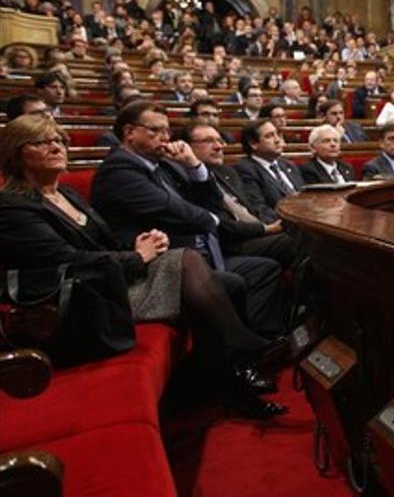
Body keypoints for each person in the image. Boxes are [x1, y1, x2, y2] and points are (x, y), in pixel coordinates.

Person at [0, 114, 286, 417]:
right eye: (42, 142)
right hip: (77, 299)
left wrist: (141, 244)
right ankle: (242, 355)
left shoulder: (67, 194)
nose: (56, 147)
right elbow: (66, 260)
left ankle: (227, 378)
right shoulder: (12, 206)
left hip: (107, 280)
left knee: (223, 281)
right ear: (16, 153)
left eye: (59, 140)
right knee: (196, 267)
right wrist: (137, 257)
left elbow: (105, 243)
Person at [89, 102, 287, 339]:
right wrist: (214, 221)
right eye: (155, 130)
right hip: (159, 264)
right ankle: (243, 349)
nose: (164, 137)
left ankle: (262, 336)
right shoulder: (118, 169)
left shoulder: (164, 164)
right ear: (130, 132)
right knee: (232, 281)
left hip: (199, 250)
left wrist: (194, 165)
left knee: (264, 270)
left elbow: (210, 202)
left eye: (167, 131)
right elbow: (174, 209)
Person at [183, 123, 298, 269]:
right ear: (187, 147)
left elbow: (251, 207)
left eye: (219, 141)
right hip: (231, 243)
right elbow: (219, 224)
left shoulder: (227, 172)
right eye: (208, 141)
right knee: (292, 242)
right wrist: (265, 229)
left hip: (255, 231)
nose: (218, 147)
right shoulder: (188, 180)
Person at [235, 120, 306, 223]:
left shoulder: (288, 165)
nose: (277, 140)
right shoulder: (246, 169)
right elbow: (259, 209)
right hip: (285, 226)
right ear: (253, 144)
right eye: (269, 136)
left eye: (277, 134)